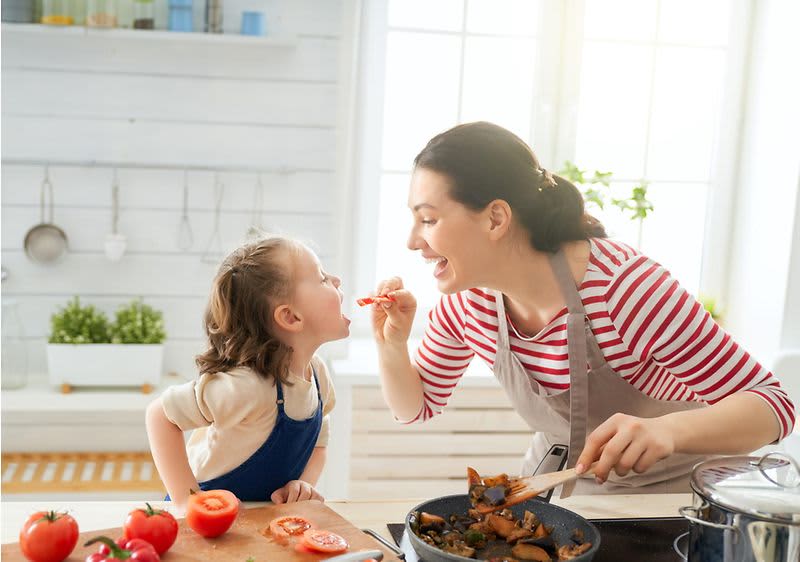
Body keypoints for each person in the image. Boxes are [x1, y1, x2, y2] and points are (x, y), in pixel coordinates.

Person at [370, 121, 796, 496]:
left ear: (496, 218)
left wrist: (667, 431)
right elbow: (415, 407)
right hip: (556, 491)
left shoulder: (625, 290)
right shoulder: (468, 305)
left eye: (428, 219)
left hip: (667, 500)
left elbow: (775, 406)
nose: (413, 241)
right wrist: (392, 346)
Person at [146, 236, 350, 508]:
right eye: (323, 278)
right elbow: (160, 415)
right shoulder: (248, 386)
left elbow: (318, 441)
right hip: (204, 520)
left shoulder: (318, 376)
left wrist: (304, 485)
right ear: (291, 317)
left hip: (261, 519)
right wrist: (187, 503)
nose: (336, 280)